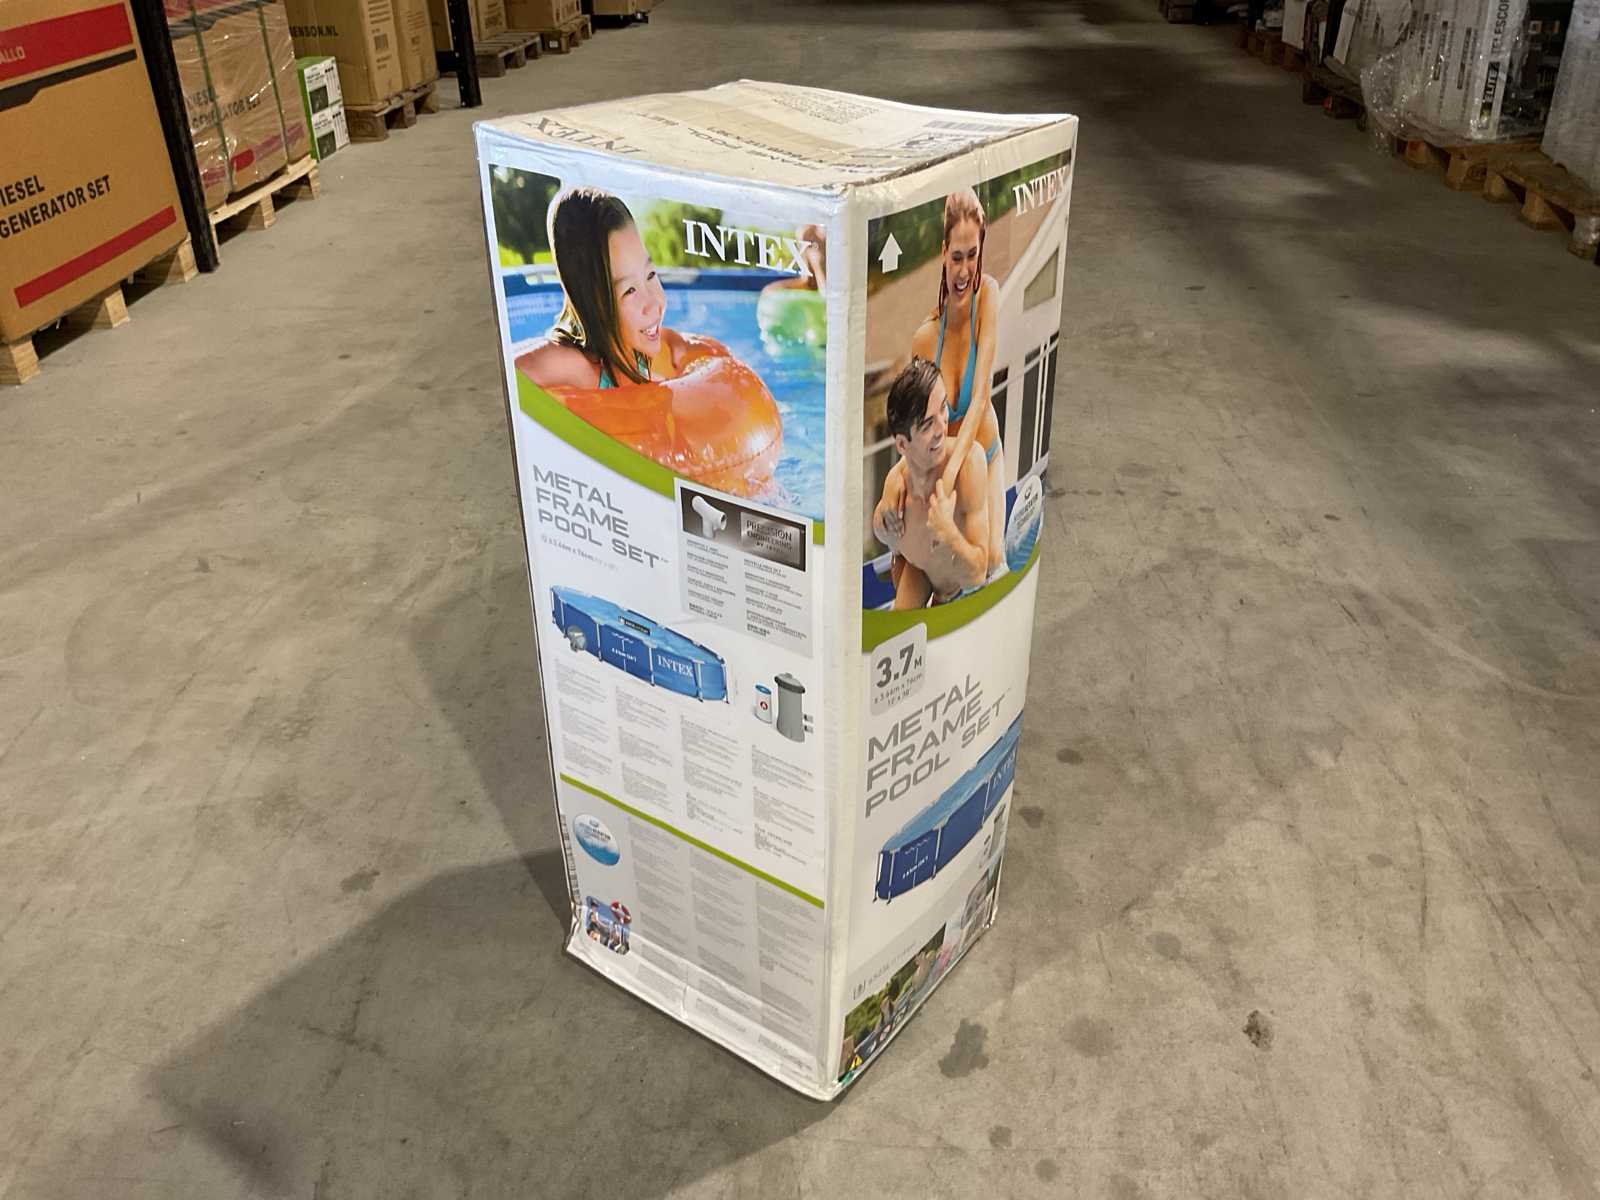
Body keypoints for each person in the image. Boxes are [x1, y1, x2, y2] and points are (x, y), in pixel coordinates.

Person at [908, 189, 1006, 577]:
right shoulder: (924, 340)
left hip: (984, 455)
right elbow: (915, 428)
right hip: (949, 472)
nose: (964, 271)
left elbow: (980, 397)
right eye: (957, 257)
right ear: (943, 252)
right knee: (950, 574)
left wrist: (947, 480)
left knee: (993, 559)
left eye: (972, 256)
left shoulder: (989, 297)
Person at [516, 187, 690, 389]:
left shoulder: (636, 350)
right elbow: (508, 368)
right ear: (592, 303)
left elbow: (671, 341)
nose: (653, 303)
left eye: (650, 274)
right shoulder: (578, 367)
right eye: (629, 290)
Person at [871, 358, 990, 608]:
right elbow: (889, 543)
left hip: (964, 588)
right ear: (902, 444)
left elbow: (980, 573)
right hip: (921, 576)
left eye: (943, 408)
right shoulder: (897, 495)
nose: (941, 428)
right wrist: (884, 512)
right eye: (927, 425)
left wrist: (950, 535)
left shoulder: (968, 465)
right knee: (904, 614)